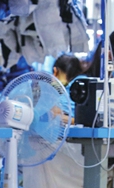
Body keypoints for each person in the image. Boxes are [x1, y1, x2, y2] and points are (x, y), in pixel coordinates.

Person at [23, 54, 84, 188]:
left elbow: (55, 114)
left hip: (63, 147)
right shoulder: (83, 84)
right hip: (80, 151)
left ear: (55, 71)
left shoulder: (58, 92)